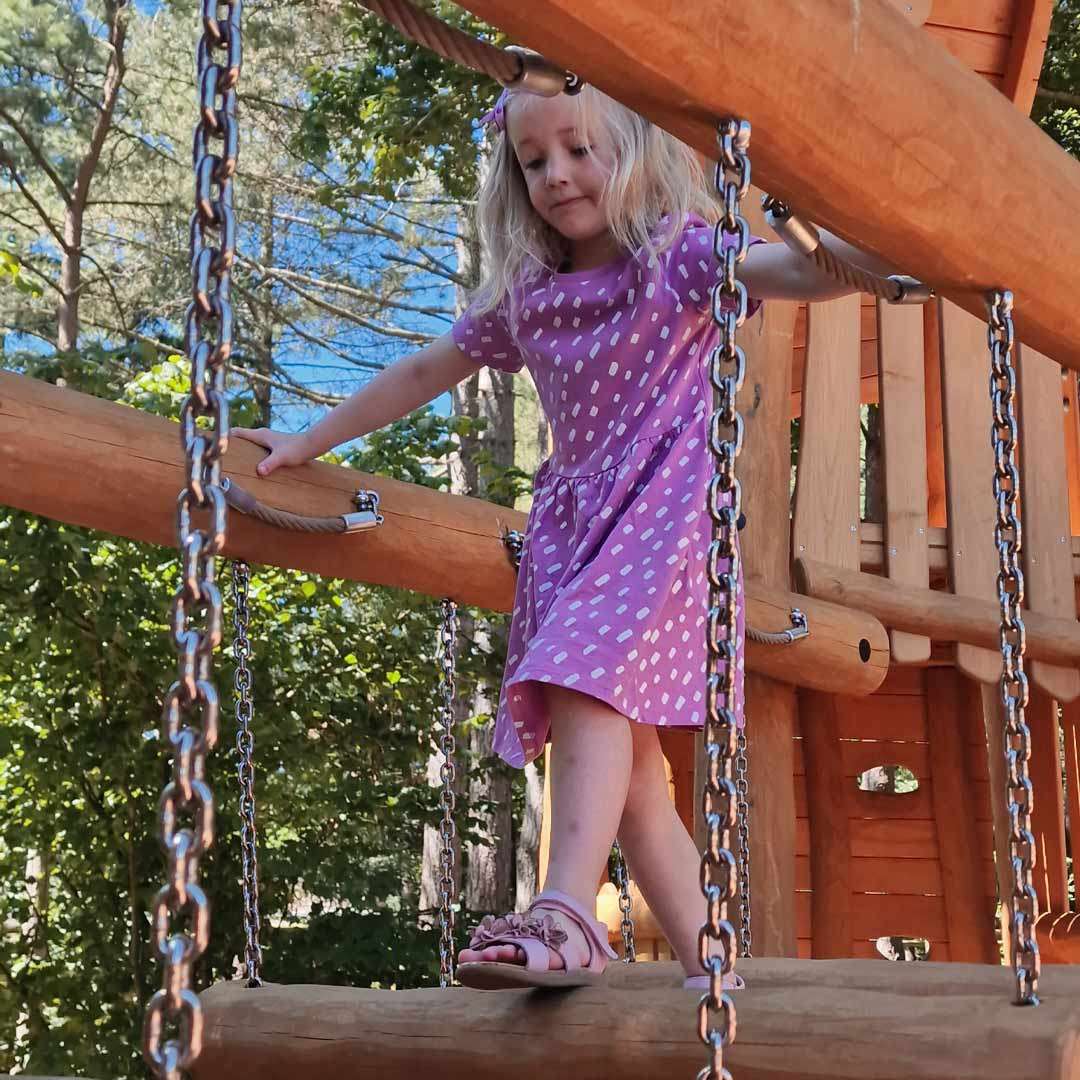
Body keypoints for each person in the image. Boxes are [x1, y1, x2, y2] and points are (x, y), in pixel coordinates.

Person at [234, 80, 887, 992]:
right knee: (638, 786)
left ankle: (568, 913)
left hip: (665, 519)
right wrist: (309, 438)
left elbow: (799, 271)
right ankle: (715, 961)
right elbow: (429, 366)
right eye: (534, 160)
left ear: (638, 155)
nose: (556, 175)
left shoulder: (679, 260)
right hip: (575, 527)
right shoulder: (533, 296)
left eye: (579, 149)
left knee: (579, 679)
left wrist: (881, 241)